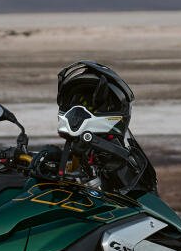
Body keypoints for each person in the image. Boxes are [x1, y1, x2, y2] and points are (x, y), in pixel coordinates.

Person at [54, 60, 157, 195]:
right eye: (74, 103)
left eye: (88, 105)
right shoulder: (70, 155)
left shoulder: (115, 160)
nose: (76, 112)